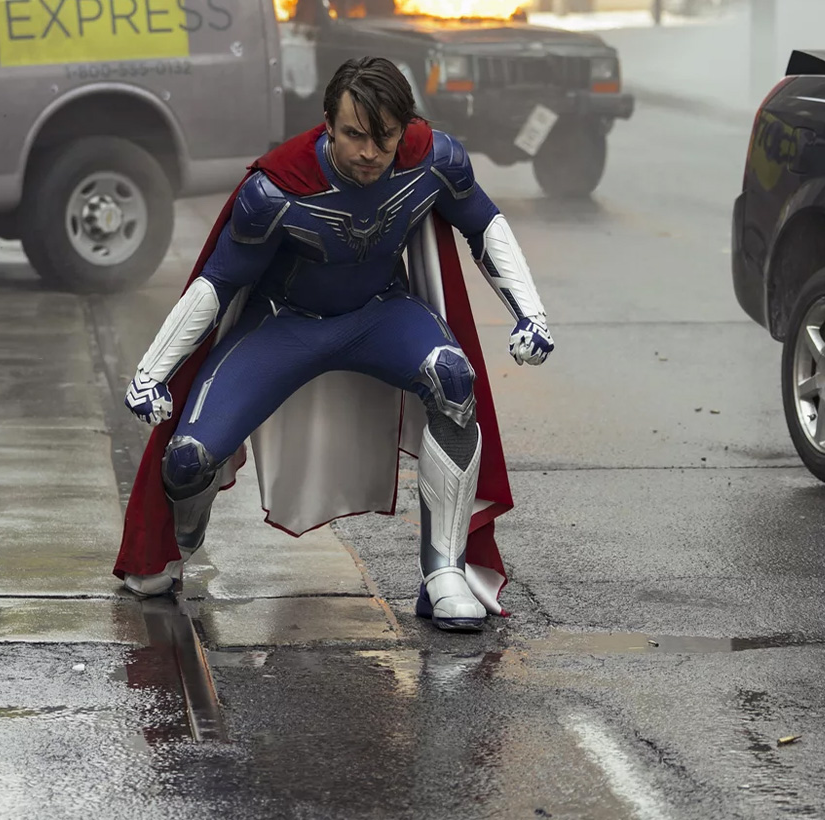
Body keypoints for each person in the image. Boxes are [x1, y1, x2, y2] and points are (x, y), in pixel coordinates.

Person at [110, 56, 555, 632]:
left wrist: (532, 314)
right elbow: (217, 283)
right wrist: (152, 372)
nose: (369, 152)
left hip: (379, 314)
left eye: (385, 136)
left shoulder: (432, 161)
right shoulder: (274, 190)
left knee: (453, 379)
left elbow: (483, 223)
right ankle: (183, 532)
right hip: (284, 324)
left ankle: (443, 571)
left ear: (405, 127)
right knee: (188, 461)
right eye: (353, 135)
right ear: (327, 122)